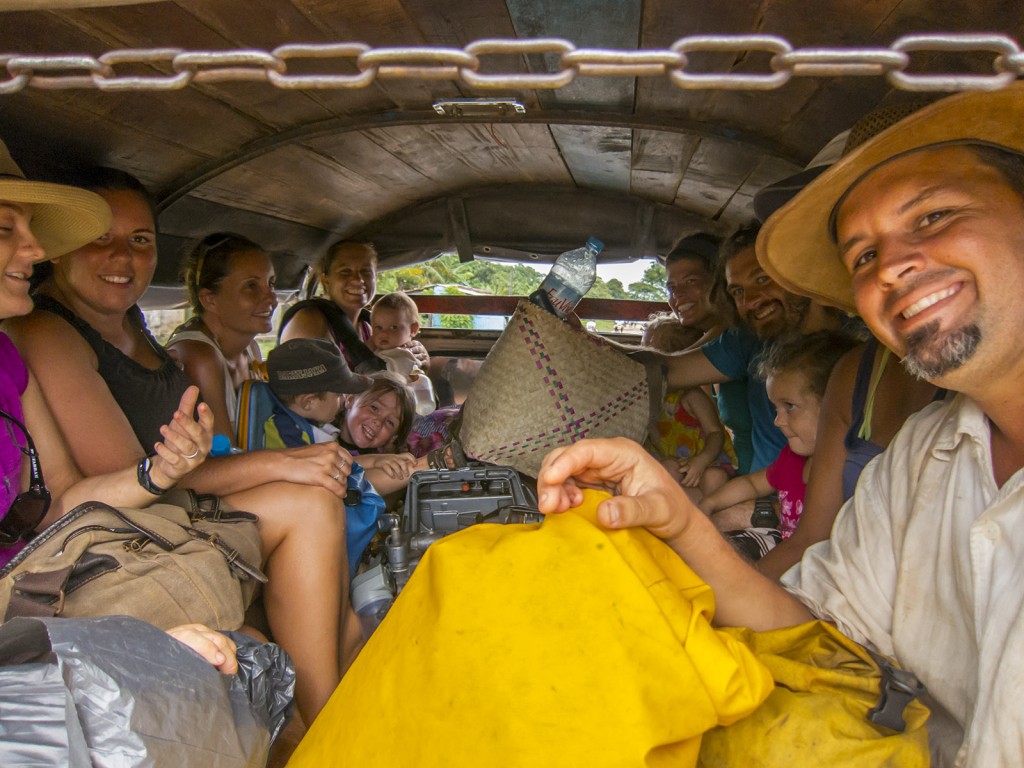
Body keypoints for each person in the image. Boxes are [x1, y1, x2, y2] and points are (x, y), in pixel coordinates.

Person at [538, 83, 1024, 765]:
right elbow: (817, 628)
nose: (891, 267)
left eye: (934, 215)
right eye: (862, 255)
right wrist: (680, 521)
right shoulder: (926, 455)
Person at [5, 168, 355, 725]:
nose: (122, 257)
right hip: (126, 530)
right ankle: (326, 727)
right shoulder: (48, 332)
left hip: (159, 508)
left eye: (140, 241)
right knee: (307, 506)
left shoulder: (131, 322)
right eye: (101, 237)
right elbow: (127, 486)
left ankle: (338, 713)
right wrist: (280, 460)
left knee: (336, 576)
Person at [0, 140, 237, 674]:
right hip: (24, 619)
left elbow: (62, 502)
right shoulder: (40, 335)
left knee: (235, 647)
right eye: (4, 231)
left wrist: (158, 472)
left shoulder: (6, 361)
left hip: (33, 587)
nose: (34, 251)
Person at [659, 223, 843, 476]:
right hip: (758, 493)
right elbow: (666, 371)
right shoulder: (749, 338)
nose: (751, 300)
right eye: (738, 291)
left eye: (762, 279)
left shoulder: (855, 351)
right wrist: (590, 347)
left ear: (796, 270)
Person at [699, 331, 855, 540]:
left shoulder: (851, 475)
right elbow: (751, 484)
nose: (778, 421)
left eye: (789, 406)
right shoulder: (791, 459)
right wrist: (708, 504)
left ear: (835, 404)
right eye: (776, 409)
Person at [166, 232, 277, 441]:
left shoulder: (250, 348)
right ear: (210, 300)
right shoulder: (199, 357)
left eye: (271, 283)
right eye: (251, 286)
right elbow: (224, 456)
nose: (271, 298)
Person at [279, 239, 428, 370]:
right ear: (326, 280)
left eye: (365, 271)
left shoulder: (369, 328)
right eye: (345, 271)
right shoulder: (309, 320)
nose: (358, 279)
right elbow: (307, 391)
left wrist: (418, 361)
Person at [641, 314, 734, 502]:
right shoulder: (649, 397)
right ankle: (685, 509)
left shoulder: (691, 397)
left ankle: (705, 511)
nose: (640, 353)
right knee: (665, 469)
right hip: (673, 463)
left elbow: (715, 431)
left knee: (715, 478)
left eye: (645, 348)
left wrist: (702, 461)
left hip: (706, 462)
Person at [263, 338, 371, 449]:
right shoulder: (288, 436)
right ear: (308, 402)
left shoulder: (309, 424)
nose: (344, 400)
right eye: (338, 395)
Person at [368, 290, 436, 416]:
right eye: (378, 327)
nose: (383, 333)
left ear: (413, 329)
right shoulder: (379, 351)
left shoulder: (404, 357)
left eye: (393, 327)